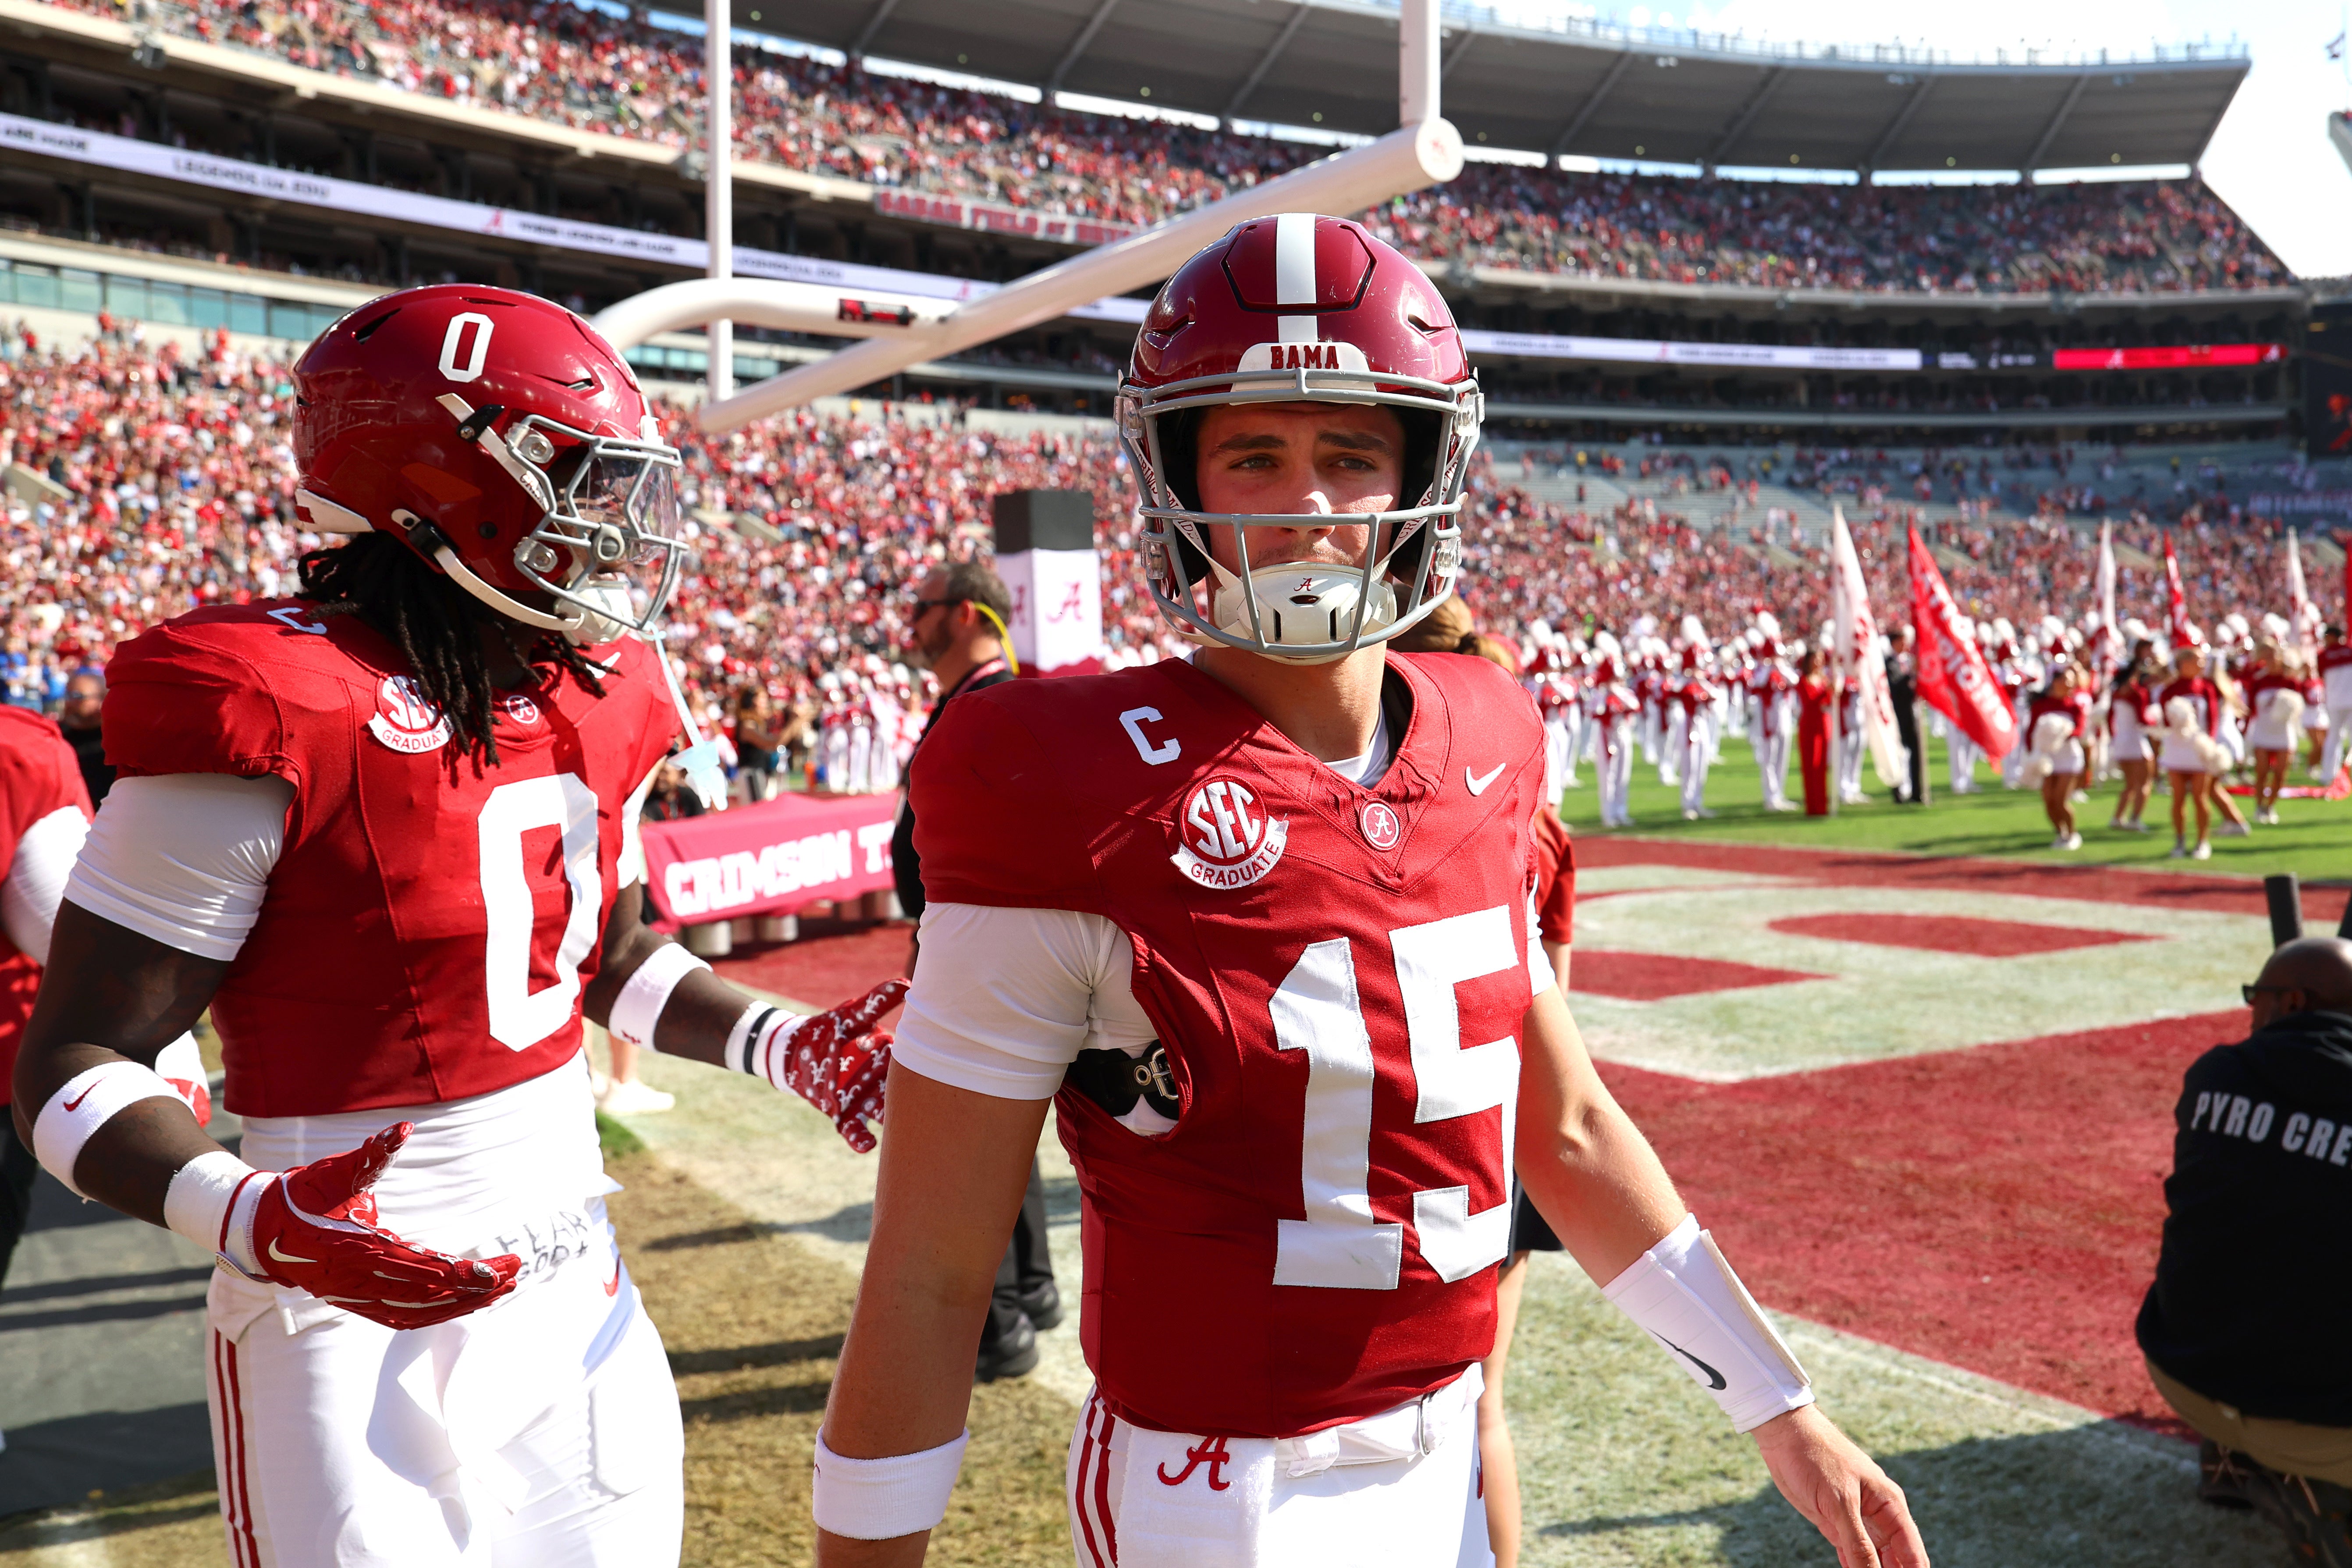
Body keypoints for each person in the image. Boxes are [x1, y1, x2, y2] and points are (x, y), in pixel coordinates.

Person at [810, 215, 1924, 1568]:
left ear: (1423, 474)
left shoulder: (1484, 731)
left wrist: (1780, 1406)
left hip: (1447, 1442)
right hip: (1217, 1487)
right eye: (1253, 454)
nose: (1309, 501)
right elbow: (930, 1274)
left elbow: (1564, 1129)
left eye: (1349, 452)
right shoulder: (1056, 781)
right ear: (1178, 478)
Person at [11, 285, 905, 1568]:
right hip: (336, 1299)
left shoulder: (594, 689)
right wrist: (247, 1215)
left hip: (574, 1269)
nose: (617, 523)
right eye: (579, 479)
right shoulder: (273, 703)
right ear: (437, 480)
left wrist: (783, 1042)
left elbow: (597, 951)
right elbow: (73, 1059)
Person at [888, 556, 1056, 1382]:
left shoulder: (993, 703)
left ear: (963, 615)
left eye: (920, 610)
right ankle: (1032, 1291)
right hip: (978, 943)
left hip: (979, 948)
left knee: (960, 1138)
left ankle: (999, 1328)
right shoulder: (987, 697)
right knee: (1004, 1127)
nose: (909, 627)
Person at [2138, 937, 2352, 1565]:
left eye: (2253, 997)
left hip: (2181, 1374)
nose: (2247, 1012)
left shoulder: (2215, 1072)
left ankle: (2231, 1456)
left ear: (2291, 1001)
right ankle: (2301, 1481)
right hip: (2322, 1424)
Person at [2159, 644, 2229, 860]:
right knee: (2178, 798)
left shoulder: (2206, 687)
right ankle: (2180, 841)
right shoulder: (2169, 690)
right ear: (2184, 664)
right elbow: (2162, 720)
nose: (2202, 664)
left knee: (2200, 797)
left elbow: (2213, 719)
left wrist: (2209, 743)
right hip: (2177, 747)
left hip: (2199, 749)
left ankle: (2202, 841)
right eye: (2197, 660)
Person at [2024, 661, 2091, 850]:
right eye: (2066, 681)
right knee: (2049, 801)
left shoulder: (2075, 707)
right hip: (2047, 758)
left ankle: (2072, 833)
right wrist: (2033, 753)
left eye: (2072, 682)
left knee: (2061, 800)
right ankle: (2060, 833)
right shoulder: (2041, 705)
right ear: (2056, 682)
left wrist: (2062, 732)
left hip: (2068, 757)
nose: (2069, 685)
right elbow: (2031, 732)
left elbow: (2080, 730)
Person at [2244, 645, 2306, 826]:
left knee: (2280, 774)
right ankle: (2259, 806)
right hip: (2263, 731)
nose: (2272, 662)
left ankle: (2270, 807)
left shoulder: (2291, 682)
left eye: (2275, 658)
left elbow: (2298, 708)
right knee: (2262, 773)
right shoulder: (2258, 681)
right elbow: (2251, 709)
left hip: (2284, 732)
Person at [2107, 641, 2161, 833]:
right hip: (2137, 742)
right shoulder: (2138, 693)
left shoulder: (2117, 693)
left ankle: (2117, 818)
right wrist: (2158, 721)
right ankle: (2135, 819)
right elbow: (2143, 721)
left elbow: (2109, 718)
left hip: (2121, 742)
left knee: (2129, 785)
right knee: (2145, 783)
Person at [53, 668, 114, 806]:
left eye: (78, 697)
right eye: (68, 696)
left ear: (103, 699)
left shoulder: (117, 741)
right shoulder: (56, 736)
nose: (69, 702)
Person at [1887, 624, 1924, 805]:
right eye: (1902, 641)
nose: (1905, 645)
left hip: (1913, 713)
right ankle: (1899, 792)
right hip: (1897, 714)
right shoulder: (1889, 663)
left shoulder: (1910, 660)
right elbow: (1896, 686)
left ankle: (1917, 791)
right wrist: (1912, 676)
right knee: (1899, 753)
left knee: (1916, 752)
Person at [1797, 645, 1833, 817]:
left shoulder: (1825, 679)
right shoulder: (1803, 680)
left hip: (1824, 724)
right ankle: (1812, 807)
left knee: (1822, 767)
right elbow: (1810, 701)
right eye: (1815, 658)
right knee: (1810, 766)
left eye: (1821, 658)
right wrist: (1829, 690)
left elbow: (1829, 702)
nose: (1819, 662)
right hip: (1809, 726)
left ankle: (1822, 805)